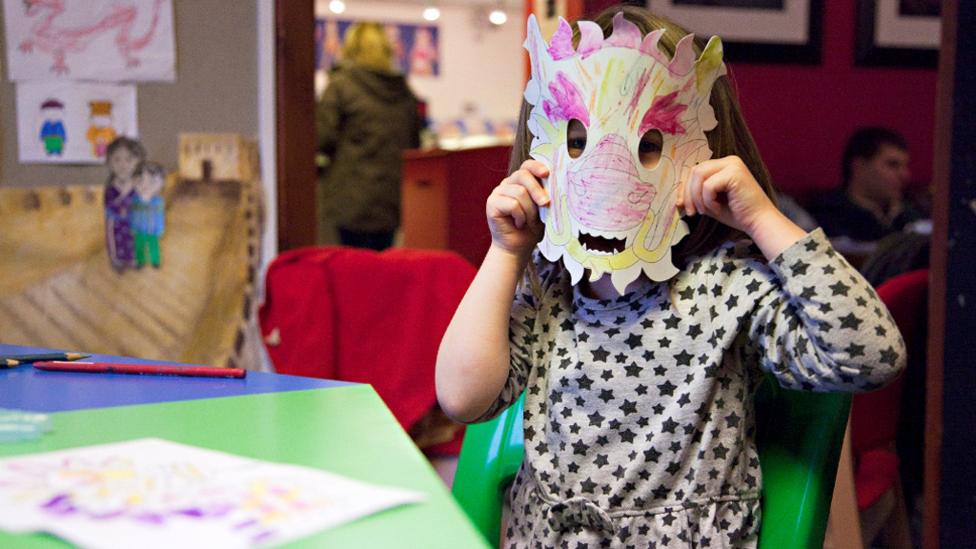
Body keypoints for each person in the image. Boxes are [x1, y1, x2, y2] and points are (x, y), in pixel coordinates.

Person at [436, 6, 906, 547]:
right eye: (575, 139)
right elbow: (462, 398)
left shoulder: (731, 289)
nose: (606, 173)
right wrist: (505, 252)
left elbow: (871, 355)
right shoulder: (547, 289)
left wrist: (761, 218)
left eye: (650, 145)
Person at [316, 21, 422, 251]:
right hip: (391, 203)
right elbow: (415, 145)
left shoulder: (340, 87)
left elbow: (321, 139)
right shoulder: (404, 91)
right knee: (379, 270)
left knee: (348, 271)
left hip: (348, 201)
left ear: (350, 48)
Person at [809, 127, 923, 244]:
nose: (904, 175)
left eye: (905, 166)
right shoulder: (827, 217)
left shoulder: (914, 215)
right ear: (859, 167)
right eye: (892, 165)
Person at [103, 136, 145, 271]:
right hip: (117, 226)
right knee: (118, 246)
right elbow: (111, 208)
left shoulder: (140, 186)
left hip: (136, 225)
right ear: (109, 162)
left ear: (137, 161)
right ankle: (118, 261)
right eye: (117, 159)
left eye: (128, 159)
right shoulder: (111, 189)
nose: (123, 165)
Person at [131, 161, 166, 269]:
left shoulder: (158, 202)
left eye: (152, 181)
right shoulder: (135, 201)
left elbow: (160, 217)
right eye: (140, 181)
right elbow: (133, 215)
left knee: (153, 246)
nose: (145, 186)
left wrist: (160, 229)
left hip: (153, 230)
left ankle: (155, 260)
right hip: (139, 229)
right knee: (139, 247)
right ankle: (140, 261)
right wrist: (132, 227)